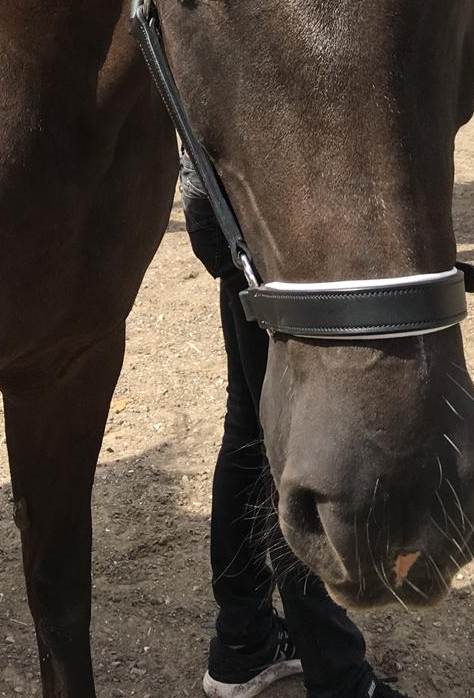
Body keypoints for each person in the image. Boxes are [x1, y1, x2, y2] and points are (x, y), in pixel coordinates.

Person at [180, 151, 410, 698]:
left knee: (254, 422)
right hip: (283, 198)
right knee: (296, 430)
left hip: (225, 194)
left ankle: (244, 641)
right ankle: (336, 675)